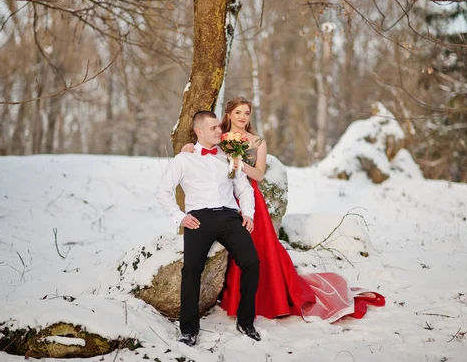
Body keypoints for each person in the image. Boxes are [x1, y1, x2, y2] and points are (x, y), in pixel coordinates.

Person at [182, 97, 385, 322]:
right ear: (228, 115)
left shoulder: (257, 141)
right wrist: (187, 147)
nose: (242, 117)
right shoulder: (218, 136)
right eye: (238, 112)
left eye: (246, 113)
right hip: (221, 198)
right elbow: (201, 149)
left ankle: (257, 300)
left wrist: (240, 164)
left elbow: (258, 174)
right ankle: (225, 295)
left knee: (256, 250)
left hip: (248, 197)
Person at [155, 111, 262, 347]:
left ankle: (246, 322)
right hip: (199, 218)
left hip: (229, 217)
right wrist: (180, 217)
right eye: (213, 128)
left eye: (219, 127)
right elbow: (163, 191)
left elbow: (244, 188)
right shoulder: (184, 159)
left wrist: (248, 213)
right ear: (199, 132)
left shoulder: (229, 156)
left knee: (252, 263)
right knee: (192, 269)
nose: (219, 131)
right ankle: (189, 330)